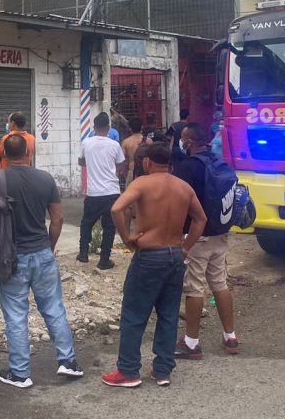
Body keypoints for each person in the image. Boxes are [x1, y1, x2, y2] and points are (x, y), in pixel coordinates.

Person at [0, 134, 83, 388]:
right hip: (42, 254)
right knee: (54, 308)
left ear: (4, 155)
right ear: (29, 153)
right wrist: (49, 246)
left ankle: (20, 373)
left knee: (16, 316)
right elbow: (57, 219)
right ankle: (67, 362)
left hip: (10, 258)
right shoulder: (46, 179)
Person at [103, 142, 206, 387]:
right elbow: (200, 219)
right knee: (169, 314)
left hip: (149, 256)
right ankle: (163, 370)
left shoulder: (141, 183)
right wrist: (186, 247)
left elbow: (117, 208)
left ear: (147, 162)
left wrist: (127, 238)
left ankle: (128, 371)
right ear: (170, 163)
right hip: (174, 256)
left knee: (134, 314)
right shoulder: (184, 187)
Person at [173, 123, 240, 358]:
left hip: (197, 236)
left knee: (194, 287)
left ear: (189, 142)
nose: (181, 142)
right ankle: (230, 337)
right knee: (219, 283)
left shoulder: (188, 167)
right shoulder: (218, 162)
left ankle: (191, 342)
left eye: (182, 139)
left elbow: (175, 201)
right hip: (220, 234)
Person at [77, 112, 126, 269]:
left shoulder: (86, 142)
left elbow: (81, 161)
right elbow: (121, 166)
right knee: (109, 226)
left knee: (86, 223)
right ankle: (104, 259)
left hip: (93, 192)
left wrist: (92, 163)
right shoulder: (114, 145)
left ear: (94, 127)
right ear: (108, 127)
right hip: (112, 191)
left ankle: (83, 254)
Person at [121, 117, 145, 187]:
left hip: (132, 171)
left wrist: (124, 173)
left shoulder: (125, 142)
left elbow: (122, 160)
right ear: (142, 127)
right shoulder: (147, 140)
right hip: (145, 172)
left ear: (130, 129)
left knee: (130, 195)